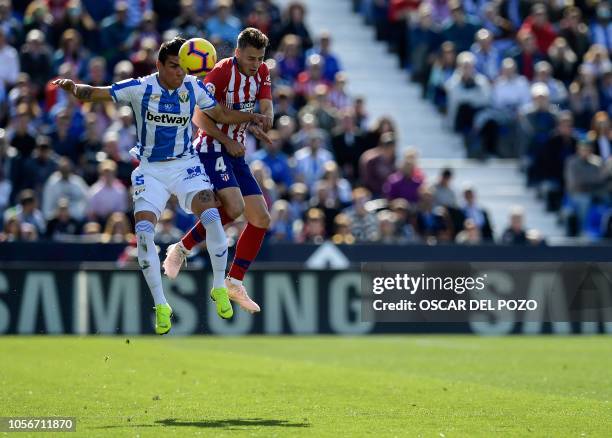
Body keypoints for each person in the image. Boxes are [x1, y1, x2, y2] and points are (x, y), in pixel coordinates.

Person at [53, 36, 269, 334]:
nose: (179, 73)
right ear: (159, 65)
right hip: (151, 171)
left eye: (182, 67)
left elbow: (219, 114)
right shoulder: (141, 87)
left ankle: (220, 286)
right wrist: (75, 89)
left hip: (186, 165)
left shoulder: (192, 86)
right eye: (173, 67)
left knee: (213, 218)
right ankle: (162, 304)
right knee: (143, 236)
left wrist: (251, 116)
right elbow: (96, 93)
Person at [163, 28, 274, 315]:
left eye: (260, 58)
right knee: (235, 207)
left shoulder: (262, 71)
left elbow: (267, 107)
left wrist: (264, 122)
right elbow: (200, 116)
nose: (255, 63)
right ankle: (182, 249)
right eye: (250, 58)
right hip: (213, 146)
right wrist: (227, 137)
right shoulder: (221, 73)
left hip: (236, 152)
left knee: (261, 218)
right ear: (237, 53)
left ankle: (234, 281)